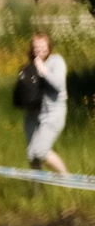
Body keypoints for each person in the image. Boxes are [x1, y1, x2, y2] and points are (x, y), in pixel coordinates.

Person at [18, 33, 69, 175]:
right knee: (32, 155)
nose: (39, 49)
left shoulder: (56, 61)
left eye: (42, 46)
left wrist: (43, 70)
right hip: (33, 114)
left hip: (53, 114)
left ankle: (66, 179)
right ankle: (38, 191)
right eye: (35, 46)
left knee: (40, 151)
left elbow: (58, 85)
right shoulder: (31, 64)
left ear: (49, 47)